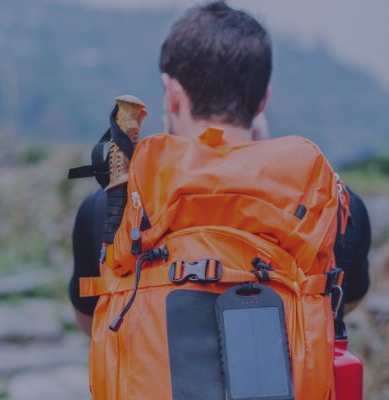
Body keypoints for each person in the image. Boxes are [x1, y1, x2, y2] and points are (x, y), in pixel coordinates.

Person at [69, 0, 371, 337]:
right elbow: (337, 307)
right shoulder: (335, 207)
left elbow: (92, 321)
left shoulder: (110, 206)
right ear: (262, 101)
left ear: (171, 95)